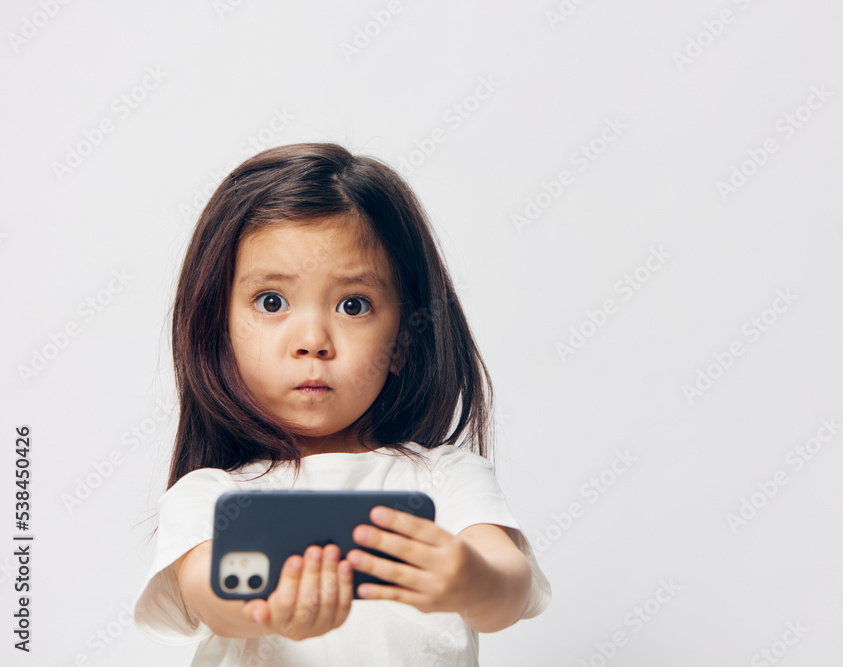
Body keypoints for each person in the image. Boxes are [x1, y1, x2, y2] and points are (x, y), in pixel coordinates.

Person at [132, 142, 552, 665]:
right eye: (272, 302)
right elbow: (210, 595)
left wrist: (469, 578)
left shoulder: (446, 480)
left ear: (402, 342)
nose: (313, 340)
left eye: (353, 305)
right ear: (222, 335)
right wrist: (269, 607)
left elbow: (507, 590)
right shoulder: (213, 496)